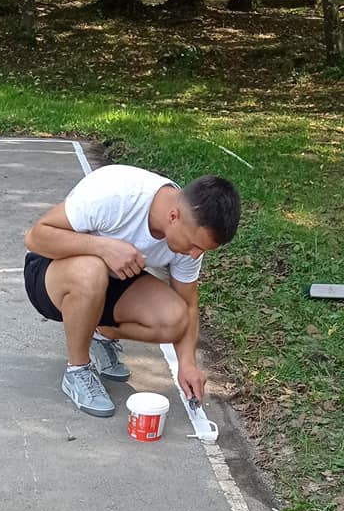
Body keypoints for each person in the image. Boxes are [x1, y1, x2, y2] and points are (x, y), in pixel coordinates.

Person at [23, 164, 241, 417]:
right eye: (194, 245)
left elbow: (188, 302)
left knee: (175, 318)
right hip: (50, 272)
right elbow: (35, 237)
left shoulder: (190, 232)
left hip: (112, 280)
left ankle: (98, 335)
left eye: (202, 249)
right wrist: (103, 247)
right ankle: (77, 370)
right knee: (91, 270)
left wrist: (188, 363)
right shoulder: (116, 195)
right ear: (173, 216)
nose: (195, 254)